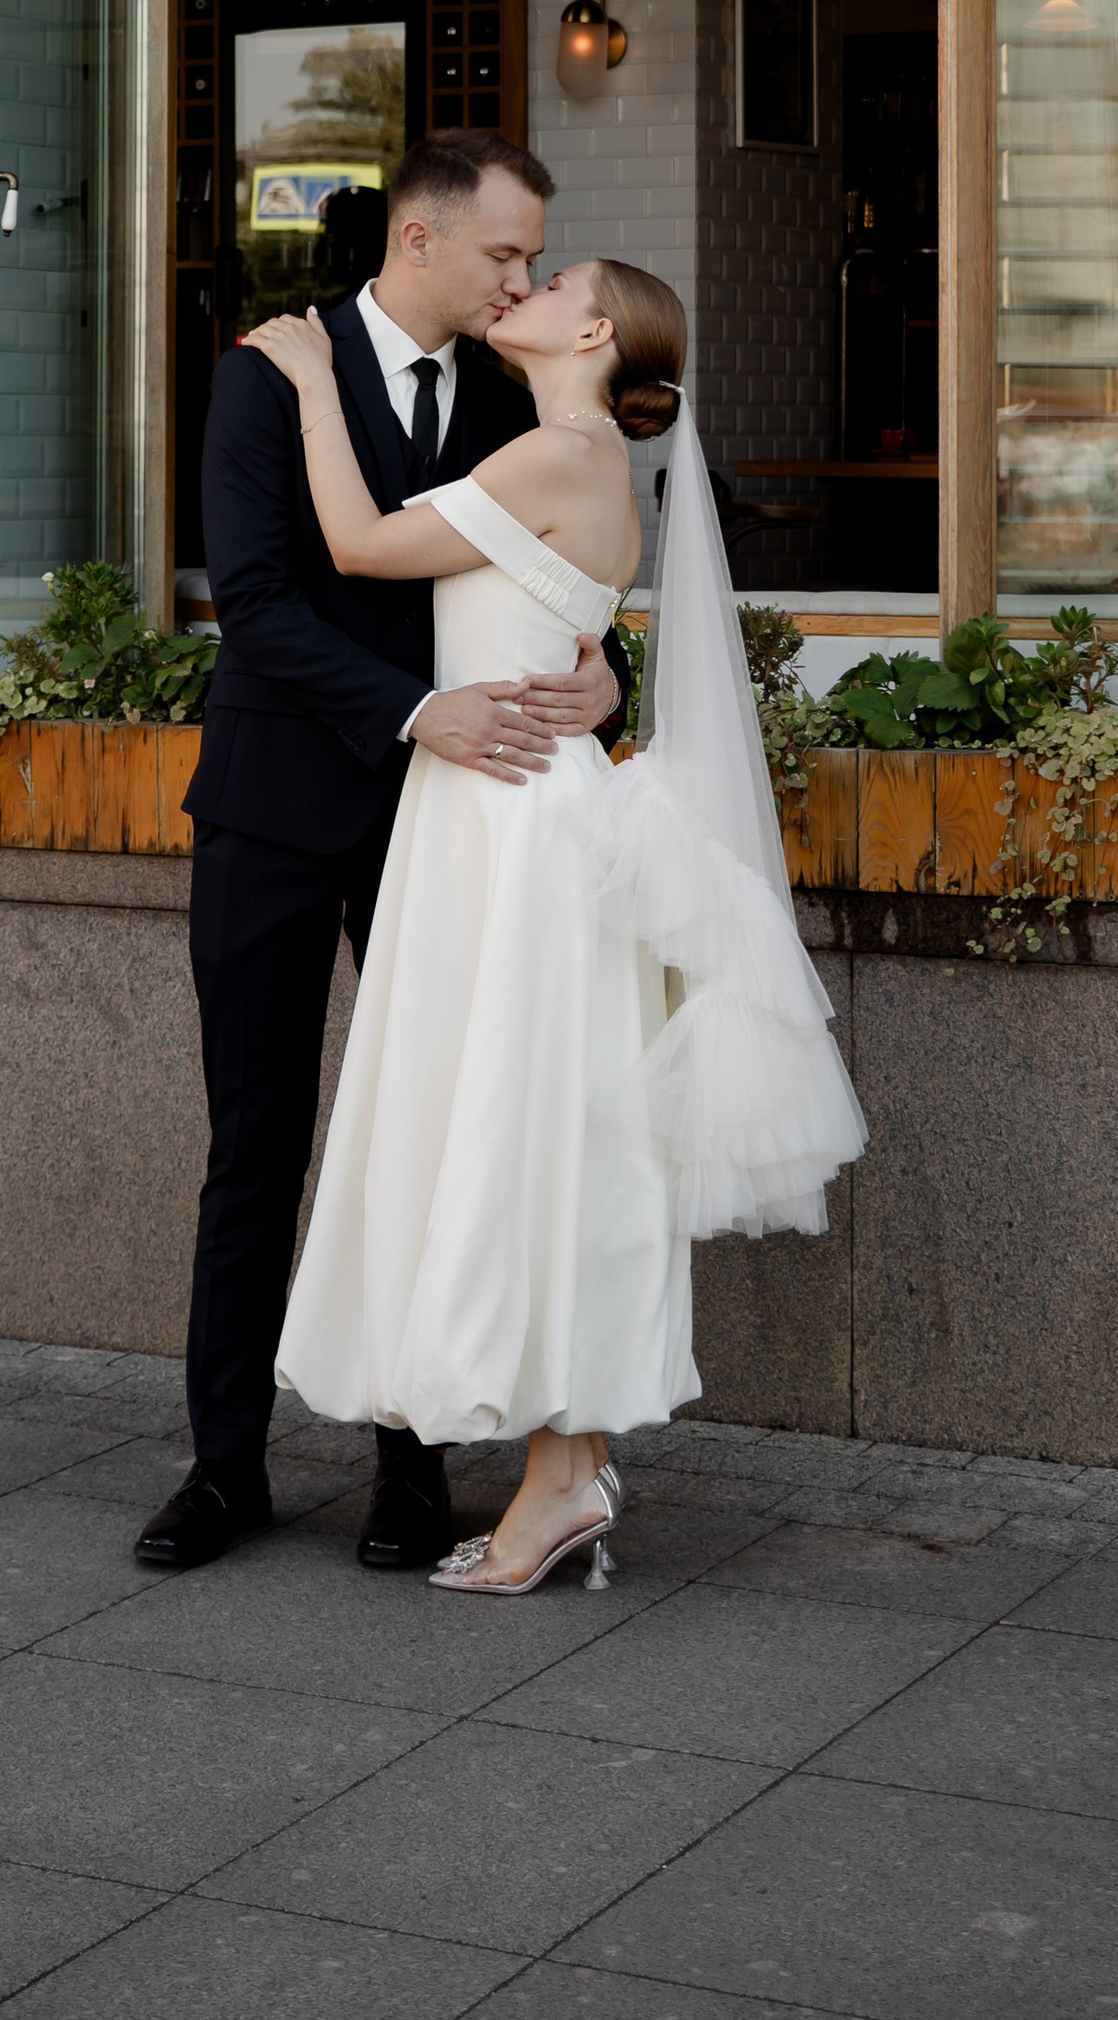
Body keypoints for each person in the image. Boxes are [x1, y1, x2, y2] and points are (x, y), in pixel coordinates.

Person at [246, 254, 868, 1595]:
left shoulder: (559, 454)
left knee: (533, 1128)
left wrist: (309, 382)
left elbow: (359, 547)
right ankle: (566, 1470)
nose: (521, 286)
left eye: (554, 279)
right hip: (507, 807)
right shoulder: (570, 455)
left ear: (592, 332)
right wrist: (599, 680)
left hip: (514, 826)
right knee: (551, 1133)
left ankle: (562, 1477)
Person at [133, 133, 627, 1577]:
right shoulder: (266, 373)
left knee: (429, 1136)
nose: (521, 279)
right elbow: (257, 601)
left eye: (533, 258)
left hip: (447, 832)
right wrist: (417, 711)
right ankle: (224, 1466)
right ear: (420, 239)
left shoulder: (514, 393)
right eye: (504, 253)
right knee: (256, 1142)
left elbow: (561, 578)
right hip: (277, 810)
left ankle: (412, 1470)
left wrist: (611, 681)